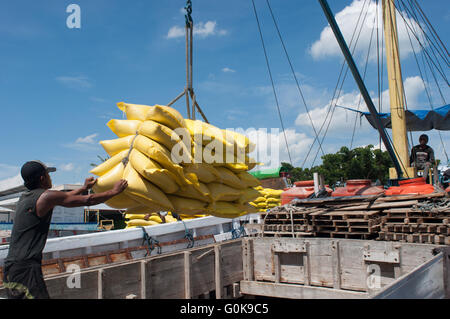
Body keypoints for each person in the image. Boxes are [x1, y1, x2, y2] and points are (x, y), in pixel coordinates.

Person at [3, 160, 128, 299]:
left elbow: (66, 196)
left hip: (12, 268)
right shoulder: (46, 196)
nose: (51, 178)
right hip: (26, 269)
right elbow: (89, 200)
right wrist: (114, 191)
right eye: (48, 174)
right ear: (42, 178)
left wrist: (83, 187)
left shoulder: (26, 197)